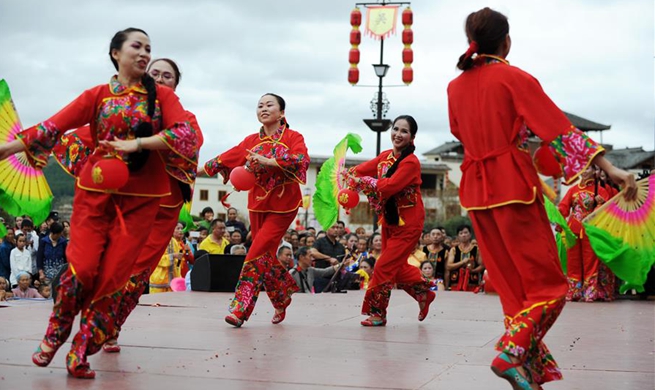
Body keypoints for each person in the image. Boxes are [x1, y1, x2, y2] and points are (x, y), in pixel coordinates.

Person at [447, 8, 636, 388]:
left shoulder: (455, 87)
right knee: (550, 286)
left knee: (515, 290)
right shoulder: (514, 77)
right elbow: (557, 128)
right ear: (506, 42)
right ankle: (510, 352)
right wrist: (611, 169)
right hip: (512, 188)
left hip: (477, 192)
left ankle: (528, 373)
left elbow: (461, 133)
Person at [0, 28, 198, 378]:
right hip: (96, 195)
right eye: (136, 47)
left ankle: (81, 349)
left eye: (148, 48)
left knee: (113, 279)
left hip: (142, 202)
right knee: (84, 267)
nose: (144, 54)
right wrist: (11, 148)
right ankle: (56, 332)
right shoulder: (98, 96)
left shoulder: (164, 101)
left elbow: (187, 134)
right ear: (115, 53)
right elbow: (54, 126)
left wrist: (138, 145)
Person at [203, 93, 309, 327]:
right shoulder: (251, 140)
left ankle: (240, 309)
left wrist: (270, 162)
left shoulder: (293, 137)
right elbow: (231, 155)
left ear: (281, 113)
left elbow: (301, 160)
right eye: (260, 105)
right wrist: (209, 167)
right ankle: (282, 296)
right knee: (265, 257)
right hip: (258, 203)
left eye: (269, 105)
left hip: (284, 205)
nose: (263, 108)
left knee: (255, 254)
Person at [345, 115, 435, 327]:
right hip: (389, 221)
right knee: (395, 267)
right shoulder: (385, 157)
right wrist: (346, 175)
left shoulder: (411, 162)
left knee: (383, 267)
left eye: (404, 131)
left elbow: (389, 186)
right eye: (396, 129)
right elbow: (361, 169)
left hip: (409, 224)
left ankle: (378, 313)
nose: (398, 134)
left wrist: (362, 182)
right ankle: (424, 293)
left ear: (412, 137)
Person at [558, 166, 611, 302]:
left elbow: (607, 211)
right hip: (573, 230)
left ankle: (590, 291)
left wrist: (600, 204)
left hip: (590, 230)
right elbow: (564, 207)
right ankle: (574, 290)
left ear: (595, 172)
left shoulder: (601, 191)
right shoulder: (573, 190)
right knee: (573, 261)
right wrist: (560, 221)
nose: (584, 171)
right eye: (582, 168)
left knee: (590, 261)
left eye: (588, 169)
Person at [149, 222, 193, 293]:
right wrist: (172, 256)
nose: (180, 231)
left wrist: (178, 278)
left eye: (181, 229)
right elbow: (155, 259)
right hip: (159, 281)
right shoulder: (156, 241)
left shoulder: (174, 241)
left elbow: (177, 264)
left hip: (172, 282)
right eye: (178, 228)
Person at [446, 225, 484, 291]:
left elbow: (482, 265)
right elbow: (449, 266)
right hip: (456, 282)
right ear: (458, 236)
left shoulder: (476, 249)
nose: (463, 235)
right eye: (461, 233)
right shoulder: (454, 249)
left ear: (470, 235)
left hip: (472, 282)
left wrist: (472, 271)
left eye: (466, 233)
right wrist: (463, 262)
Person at [311, 223, 345, 292]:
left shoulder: (340, 246)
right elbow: (313, 252)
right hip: (321, 279)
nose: (336, 230)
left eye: (337, 227)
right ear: (326, 229)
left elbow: (343, 263)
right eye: (333, 227)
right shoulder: (320, 242)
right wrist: (329, 259)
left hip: (336, 280)